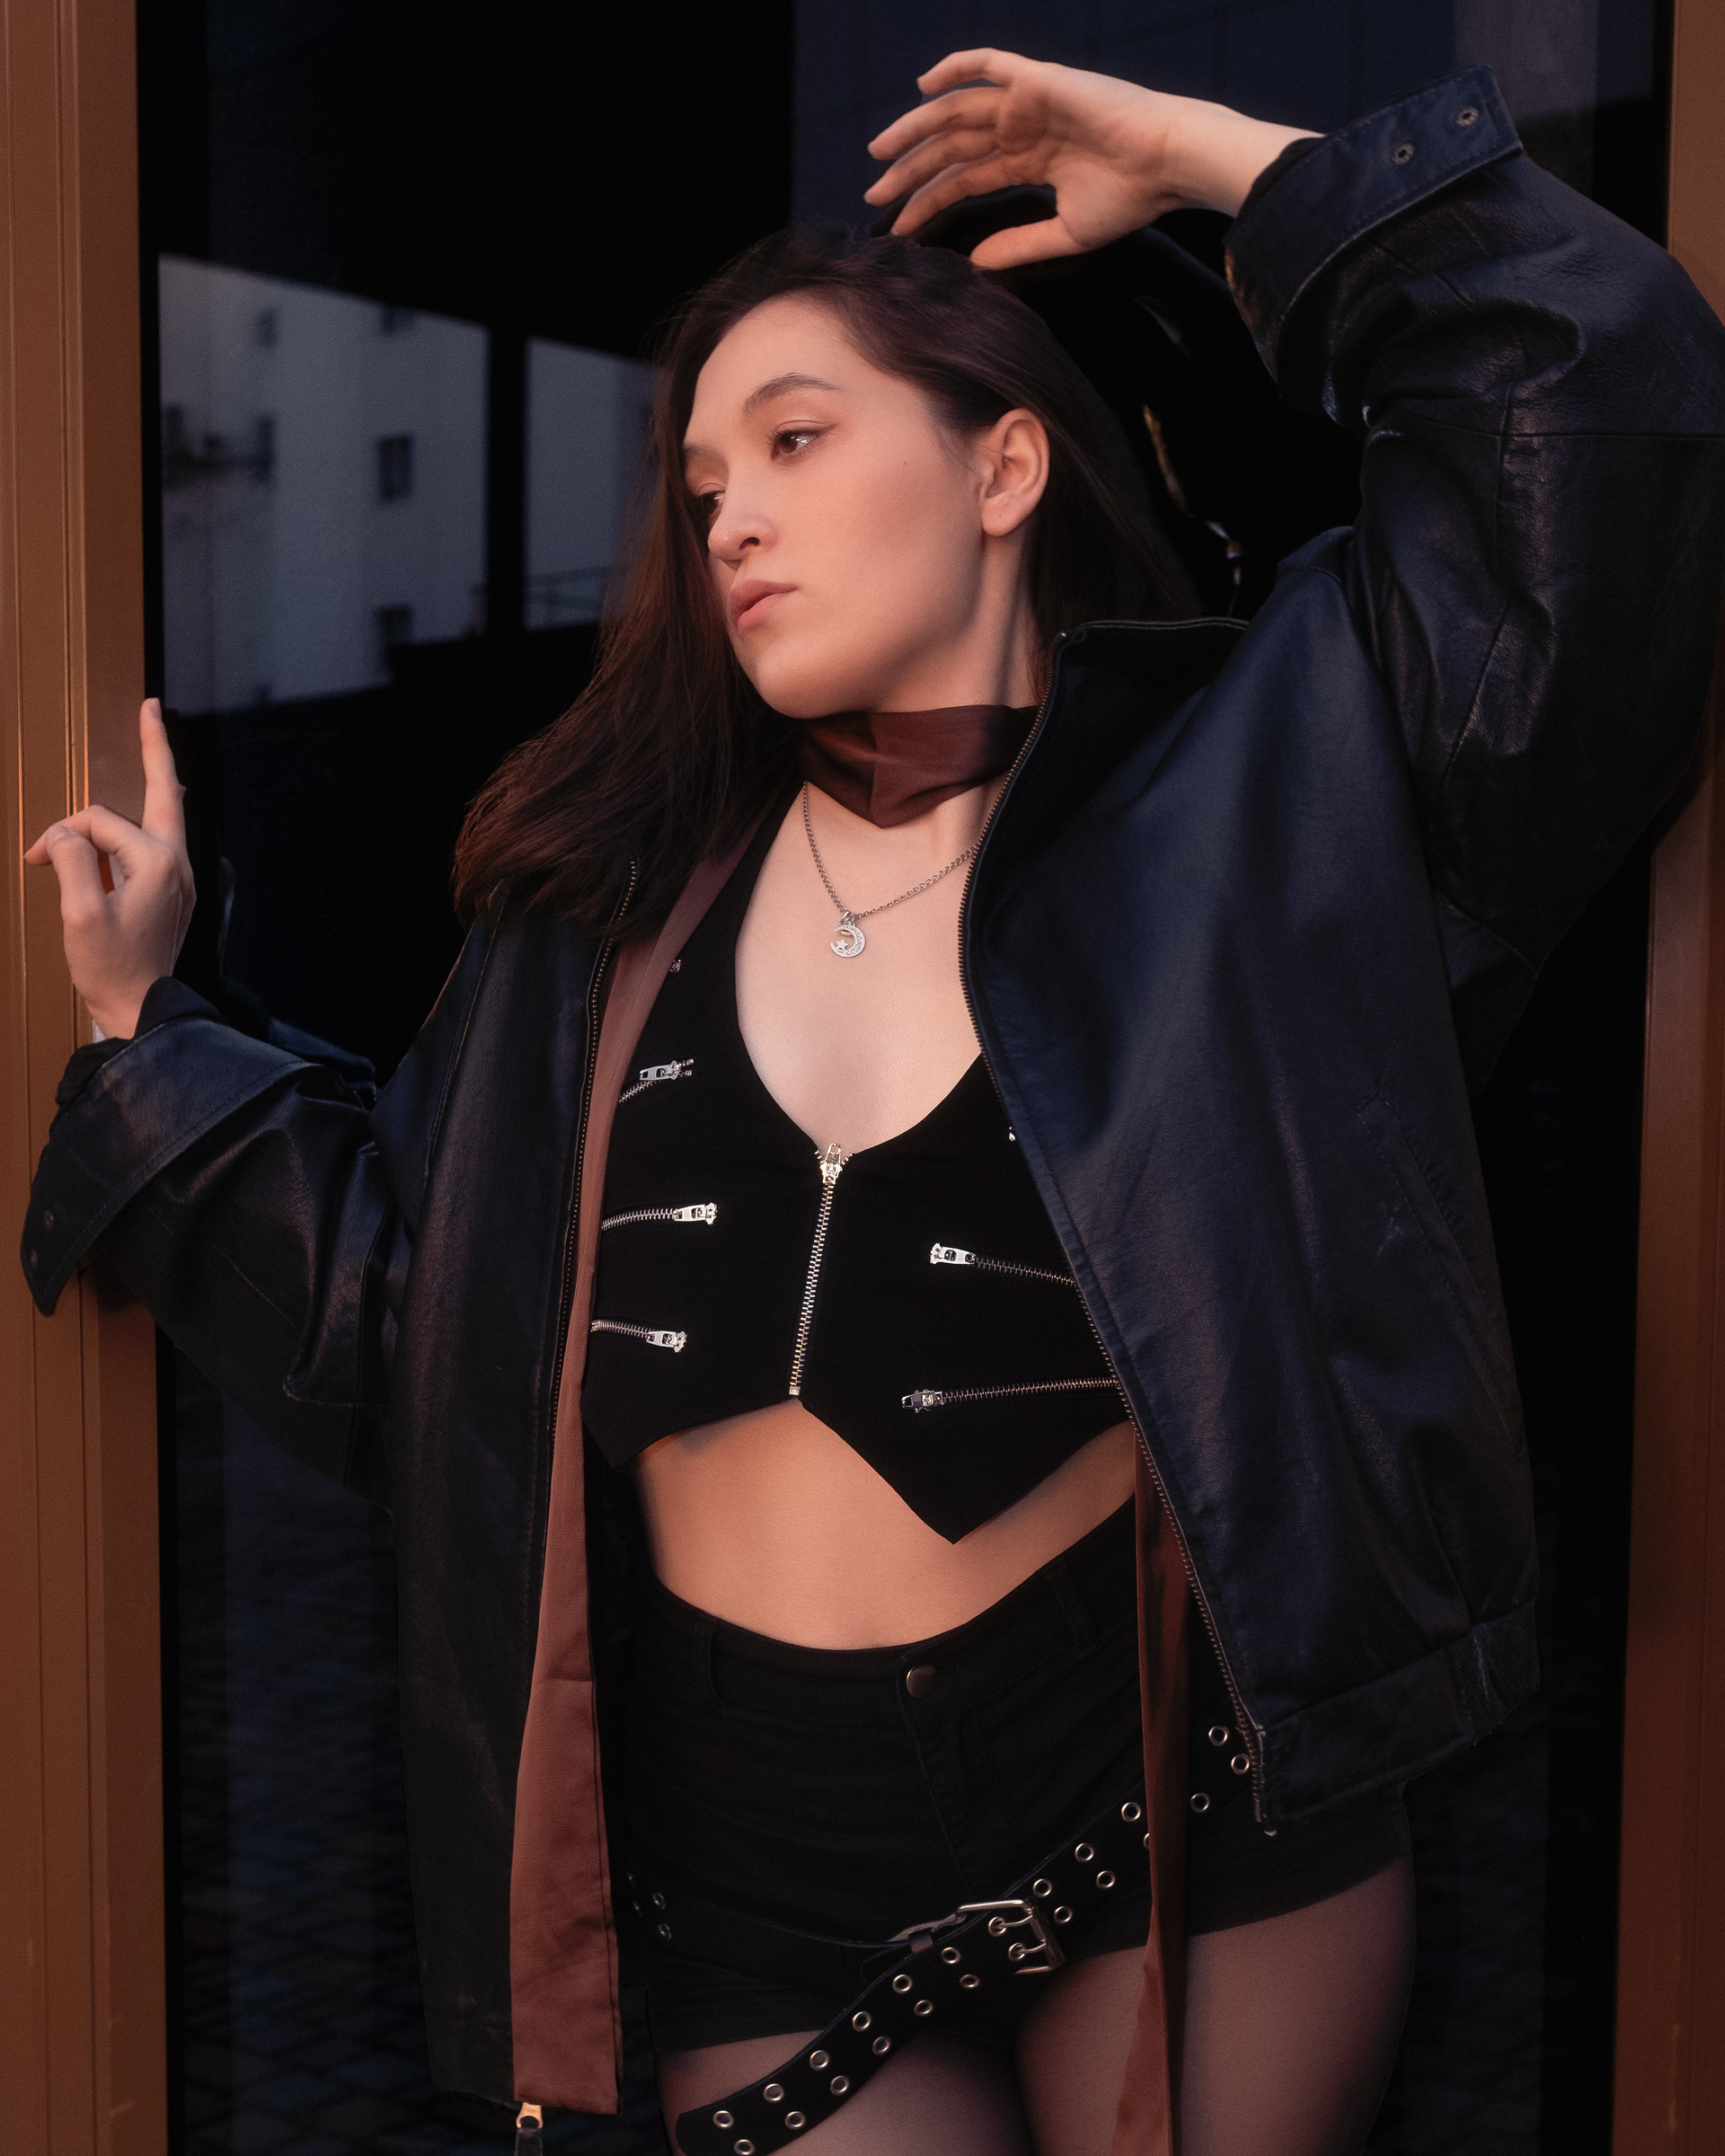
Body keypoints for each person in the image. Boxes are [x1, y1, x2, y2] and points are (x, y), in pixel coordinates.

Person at [22, 47, 1725, 2156]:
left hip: (1165, 1787)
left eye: (797, 437)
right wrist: (146, 1035)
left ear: (1004, 465)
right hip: (753, 1846)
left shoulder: (1266, 792)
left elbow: (1589, 412)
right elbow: (420, 1329)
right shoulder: (602, 919)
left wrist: (1211, 163)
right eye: (703, 480)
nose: (730, 513)